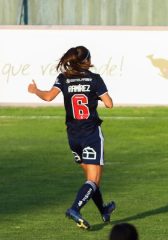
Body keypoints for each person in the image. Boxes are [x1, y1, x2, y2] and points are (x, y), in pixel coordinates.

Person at [27, 46, 115, 230]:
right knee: (93, 179)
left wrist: (35, 90)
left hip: (73, 135)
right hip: (91, 134)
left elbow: (49, 97)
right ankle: (75, 209)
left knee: (91, 179)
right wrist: (95, 95)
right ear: (87, 60)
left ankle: (104, 210)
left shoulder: (64, 78)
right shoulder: (94, 79)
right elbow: (109, 104)